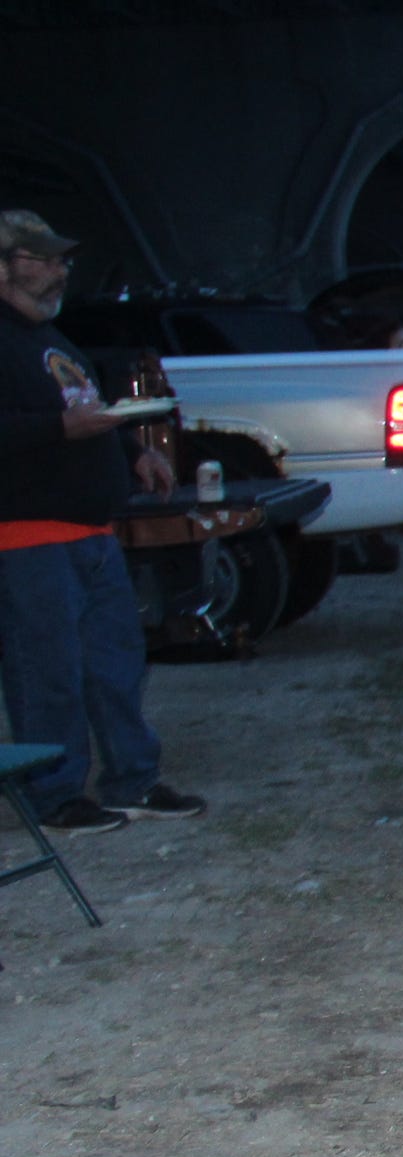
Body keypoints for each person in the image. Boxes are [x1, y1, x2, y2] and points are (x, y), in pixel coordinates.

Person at [0, 208, 206, 834]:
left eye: (62, 259)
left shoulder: (51, 340)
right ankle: (52, 795)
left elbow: (84, 409)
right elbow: (48, 424)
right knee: (47, 674)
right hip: (26, 539)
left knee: (116, 665)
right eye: (44, 258)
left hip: (91, 535)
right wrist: (63, 429)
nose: (60, 270)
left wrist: (132, 451)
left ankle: (131, 780)